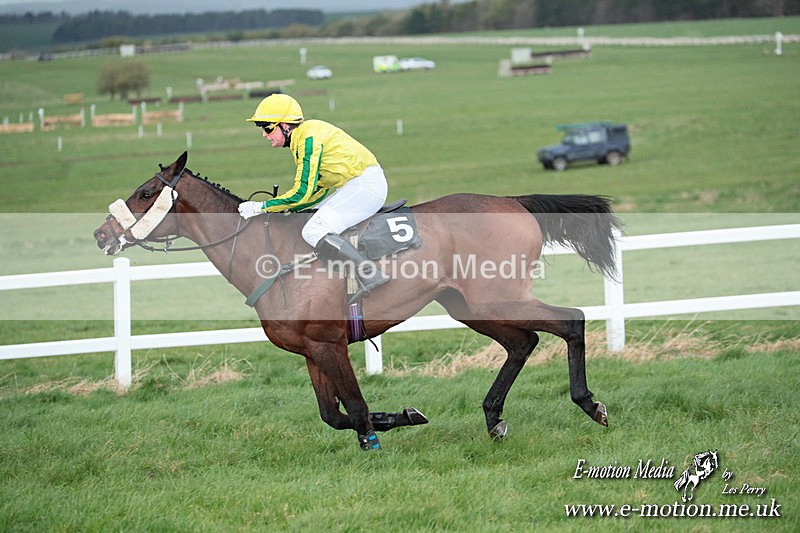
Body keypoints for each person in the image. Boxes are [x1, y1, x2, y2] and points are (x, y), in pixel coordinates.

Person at [237, 93, 389, 301]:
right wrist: (287, 208)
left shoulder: (308, 139)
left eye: (267, 128)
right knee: (309, 218)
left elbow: (301, 193)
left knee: (313, 229)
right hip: (355, 185)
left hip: (365, 186)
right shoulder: (303, 138)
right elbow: (317, 191)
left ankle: (369, 273)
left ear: (285, 126)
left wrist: (261, 207)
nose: (264, 135)